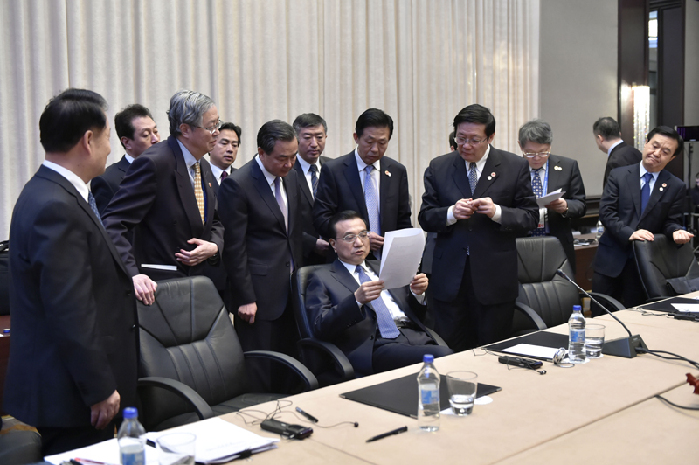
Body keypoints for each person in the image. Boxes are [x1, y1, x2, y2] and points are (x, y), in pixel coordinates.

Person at [5, 89, 138, 455]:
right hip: (72, 393)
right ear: (88, 140)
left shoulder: (50, 191)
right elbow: (70, 309)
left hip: (72, 386)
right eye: (108, 137)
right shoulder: (55, 205)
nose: (110, 148)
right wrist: (98, 387)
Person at [419, 104, 538, 351]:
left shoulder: (514, 166)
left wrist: (498, 213)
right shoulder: (439, 167)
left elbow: (529, 217)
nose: (466, 145)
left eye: (474, 140)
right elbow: (425, 217)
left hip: (494, 280)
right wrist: (451, 213)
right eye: (460, 138)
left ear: (490, 137)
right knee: (449, 352)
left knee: (492, 351)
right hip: (449, 280)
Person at [103, 90, 224, 305]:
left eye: (217, 124)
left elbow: (215, 220)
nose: (217, 133)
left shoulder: (203, 166)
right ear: (185, 129)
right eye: (210, 126)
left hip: (198, 286)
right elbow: (113, 223)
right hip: (161, 289)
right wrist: (132, 274)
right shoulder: (154, 163)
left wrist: (214, 246)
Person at [305, 211, 452, 375]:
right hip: (374, 346)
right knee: (443, 356)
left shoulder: (385, 266)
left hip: (414, 337)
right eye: (349, 237)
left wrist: (417, 295)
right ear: (333, 243)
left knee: (455, 356)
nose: (359, 243)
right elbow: (320, 327)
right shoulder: (321, 277)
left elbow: (419, 317)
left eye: (363, 235)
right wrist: (356, 301)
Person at [218, 120, 305, 359]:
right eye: (282, 158)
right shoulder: (238, 185)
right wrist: (245, 298)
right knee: (261, 364)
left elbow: (294, 233)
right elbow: (234, 248)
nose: (289, 164)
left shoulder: (292, 177)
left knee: (292, 363)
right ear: (262, 152)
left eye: (293, 157)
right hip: (258, 295)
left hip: (292, 289)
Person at [592, 126, 693, 310]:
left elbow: (671, 221)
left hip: (645, 266)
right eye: (654, 146)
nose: (657, 153)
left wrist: (676, 231)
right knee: (601, 316)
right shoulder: (619, 175)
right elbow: (607, 212)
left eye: (665, 152)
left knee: (638, 316)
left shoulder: (675, 185)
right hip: (610, 261)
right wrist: (629, 233)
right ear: (645, 143)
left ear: (672, 158)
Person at [314, 108, 412, 258]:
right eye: (369, 142)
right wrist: (360, 237)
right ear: (356, 137)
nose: (375, 149)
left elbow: (403, 220)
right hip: (347, 259)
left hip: (386, 259)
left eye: (382, 143)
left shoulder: (397, 171)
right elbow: (322, 219)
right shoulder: (334, 170)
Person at [519, 120, 586, 268]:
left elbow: (580, 205)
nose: (537, 158)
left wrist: (565, 206)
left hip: (557, 243)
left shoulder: (568, 166)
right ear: (520, 146)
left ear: (550, 146)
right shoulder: (512, 168)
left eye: (543, 152)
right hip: (522, 243)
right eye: (530, 153)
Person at [92, 104, 160, 214]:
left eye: (155, 132)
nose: (155, 139)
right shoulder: (108, 181)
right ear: (127, 142)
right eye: (146, 135)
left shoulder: (170, 169)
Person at [293, 113, 332, 265]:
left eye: (319, 137)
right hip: (300, 256)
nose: (314, 144)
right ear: (296, 139)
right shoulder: (286, 171)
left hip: (334, 255)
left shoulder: (334, 168)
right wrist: (311, 243)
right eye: (307, 137)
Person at [593, 116, 642, 188]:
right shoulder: (635, 152)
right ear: (619, 133)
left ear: (600, 138)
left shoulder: (614, 161)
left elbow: (617, 192)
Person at [209, 121, 241, 187]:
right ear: (210, 146)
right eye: (224, 143)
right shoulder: (199, 176)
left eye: (234, 145)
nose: (230, 149)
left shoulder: (242, 179)